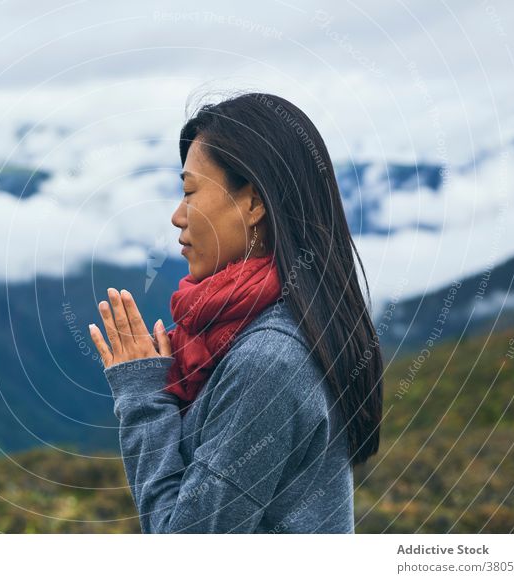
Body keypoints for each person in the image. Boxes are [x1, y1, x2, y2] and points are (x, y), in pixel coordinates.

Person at [88, 91, 383, 533]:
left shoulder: (266, 362)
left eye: (189, 191)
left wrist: (142, 398)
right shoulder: (282, 325)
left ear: (253, 203)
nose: (176, 215)